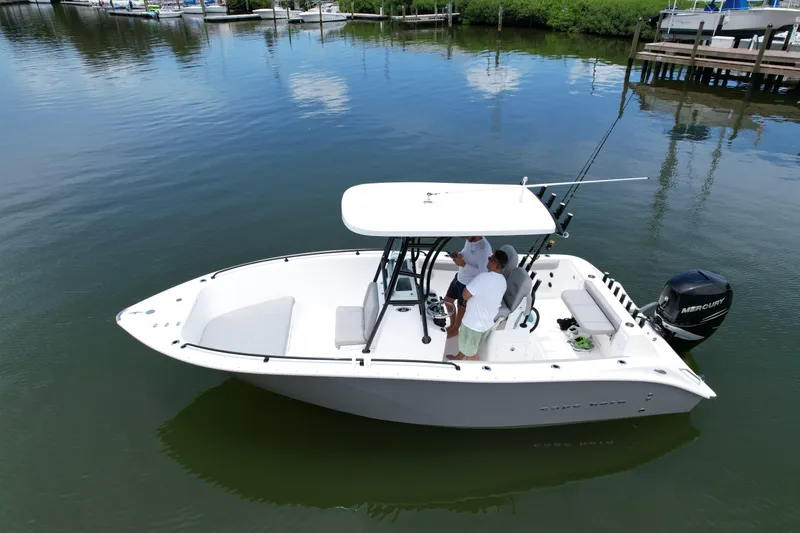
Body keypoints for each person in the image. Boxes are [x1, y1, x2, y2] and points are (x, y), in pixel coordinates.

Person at [447, 250, 508, 361]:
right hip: (486, 323)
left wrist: (467, 299)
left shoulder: (484, 277)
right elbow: (486, 296)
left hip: (473, 324)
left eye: (490, 259)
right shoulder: (503, 280)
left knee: (471, 353)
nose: (488, 260)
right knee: (469, 347)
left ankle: (471, 373)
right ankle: (458, 358)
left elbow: (465, 294)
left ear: (494, 264)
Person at [444, 236, 492, 337]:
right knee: (447, 300)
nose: (465, 236)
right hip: (459, 277)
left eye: (467, 234)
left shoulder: (484, 249)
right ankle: (452, 324)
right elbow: (466, 252)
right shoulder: (470, 239)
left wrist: (464, 265)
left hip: (469, 284)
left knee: (461, 308)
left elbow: (483, 274)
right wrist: (460, 255)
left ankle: (455, 329)